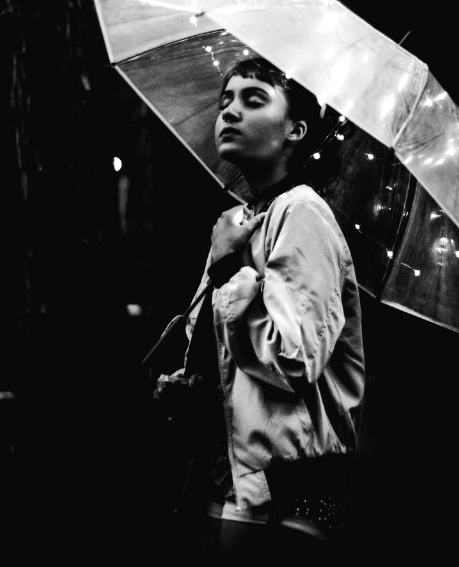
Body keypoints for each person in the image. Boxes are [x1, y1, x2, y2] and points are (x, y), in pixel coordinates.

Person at [154, 57, 365, 560]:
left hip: (284, 495)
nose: (229, 112)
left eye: (253, 99)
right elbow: (231, 361)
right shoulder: (241, 221)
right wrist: (190, 382)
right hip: (225, 478)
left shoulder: (303, 212)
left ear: (296, 130)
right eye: (225, 101)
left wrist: (229, 272)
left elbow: (294, 361)